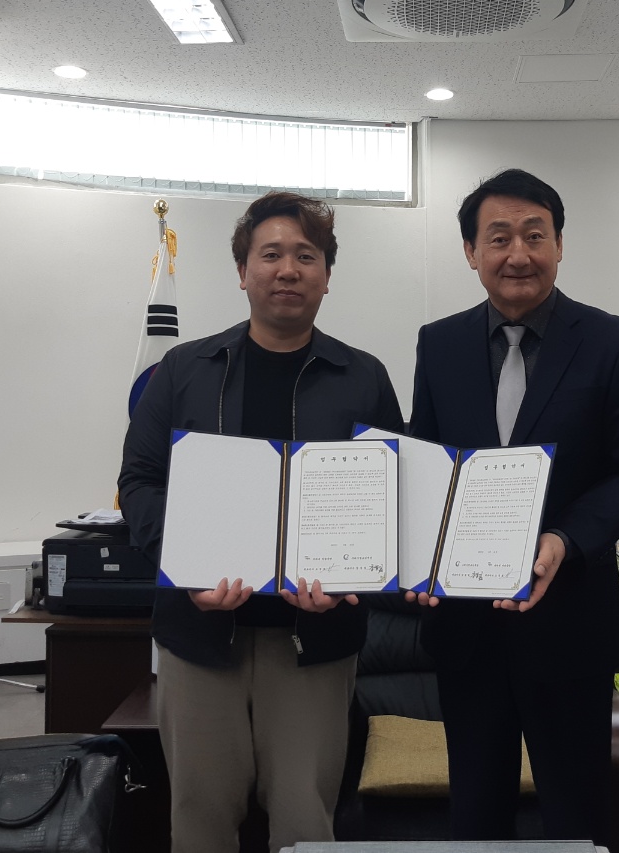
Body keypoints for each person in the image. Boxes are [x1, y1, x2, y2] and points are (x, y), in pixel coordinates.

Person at [118, 191, 403, 853]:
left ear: (327, 275)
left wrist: (352, 578)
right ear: (242, 271)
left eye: (306, 255)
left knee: (306, 821)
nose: (288, 269)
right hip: (199, 636)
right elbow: (139, 481)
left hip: (314, 641)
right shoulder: (184, 370)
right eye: (270, 254)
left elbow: (389, 499)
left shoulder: (363, 378)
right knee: (200, 817)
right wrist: (185, 564)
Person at [409, 168, 619, 842]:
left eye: (534, 235)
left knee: (577, 817)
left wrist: (563, 538)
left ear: (559, 245)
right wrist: (416, 554)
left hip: (569, 623)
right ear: (471, 251)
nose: (517, 253)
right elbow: (426, 466)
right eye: (498, 238)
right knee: (476, 816)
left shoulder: (612, 342)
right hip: (466, 630)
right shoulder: (439, 343)